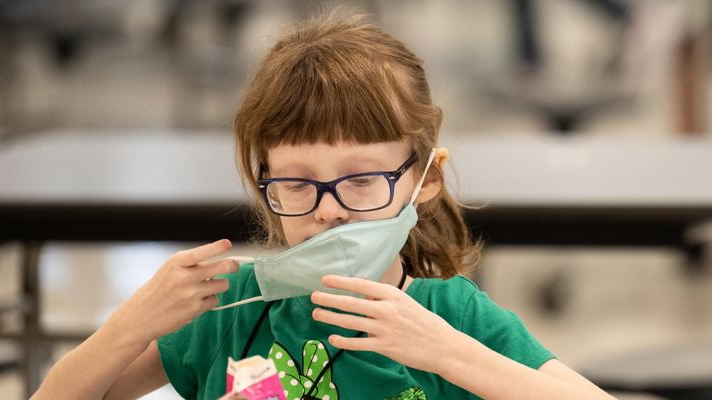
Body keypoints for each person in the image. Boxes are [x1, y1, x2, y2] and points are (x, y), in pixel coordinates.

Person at [32, 12, 614, 400]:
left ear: (425, 180)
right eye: (298, 184)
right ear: (266, 188)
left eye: (361, 180)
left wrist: (447, 352)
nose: (328, 211)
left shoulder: (451, 315)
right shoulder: (228, 310)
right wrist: (133, 323)